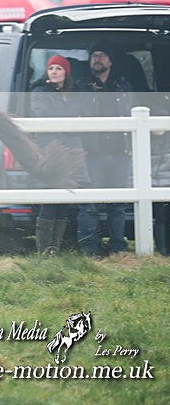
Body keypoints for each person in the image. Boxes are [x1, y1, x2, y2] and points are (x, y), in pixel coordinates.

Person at [76, 42, 134, 257]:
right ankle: (90, 249)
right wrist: (83, 147)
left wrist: (129, 146)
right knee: (89, 205)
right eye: (93, 56)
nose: (97, 59)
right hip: (93, 153)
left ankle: (118, 247)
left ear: (110, 61)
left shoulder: (122, 85)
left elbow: (132, 113)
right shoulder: (82, 85)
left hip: (120, 152)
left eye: (101, 56)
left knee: (117, 205)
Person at [30, 55, 83, 254]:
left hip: (71, 152)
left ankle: (55, 247)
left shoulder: (74, 94)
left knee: (64, 200)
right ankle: (44, 248)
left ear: (66, 72)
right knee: (50, 198)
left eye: (58, 68)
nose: (53, 71)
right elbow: (43, 115)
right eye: (50, 68)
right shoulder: (40, 92)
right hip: (50, 151)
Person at [150, 106, 170, 256]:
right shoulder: (145, 140)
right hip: (155, 185)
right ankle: (162, 251)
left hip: (167, 183)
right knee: (160, 218)